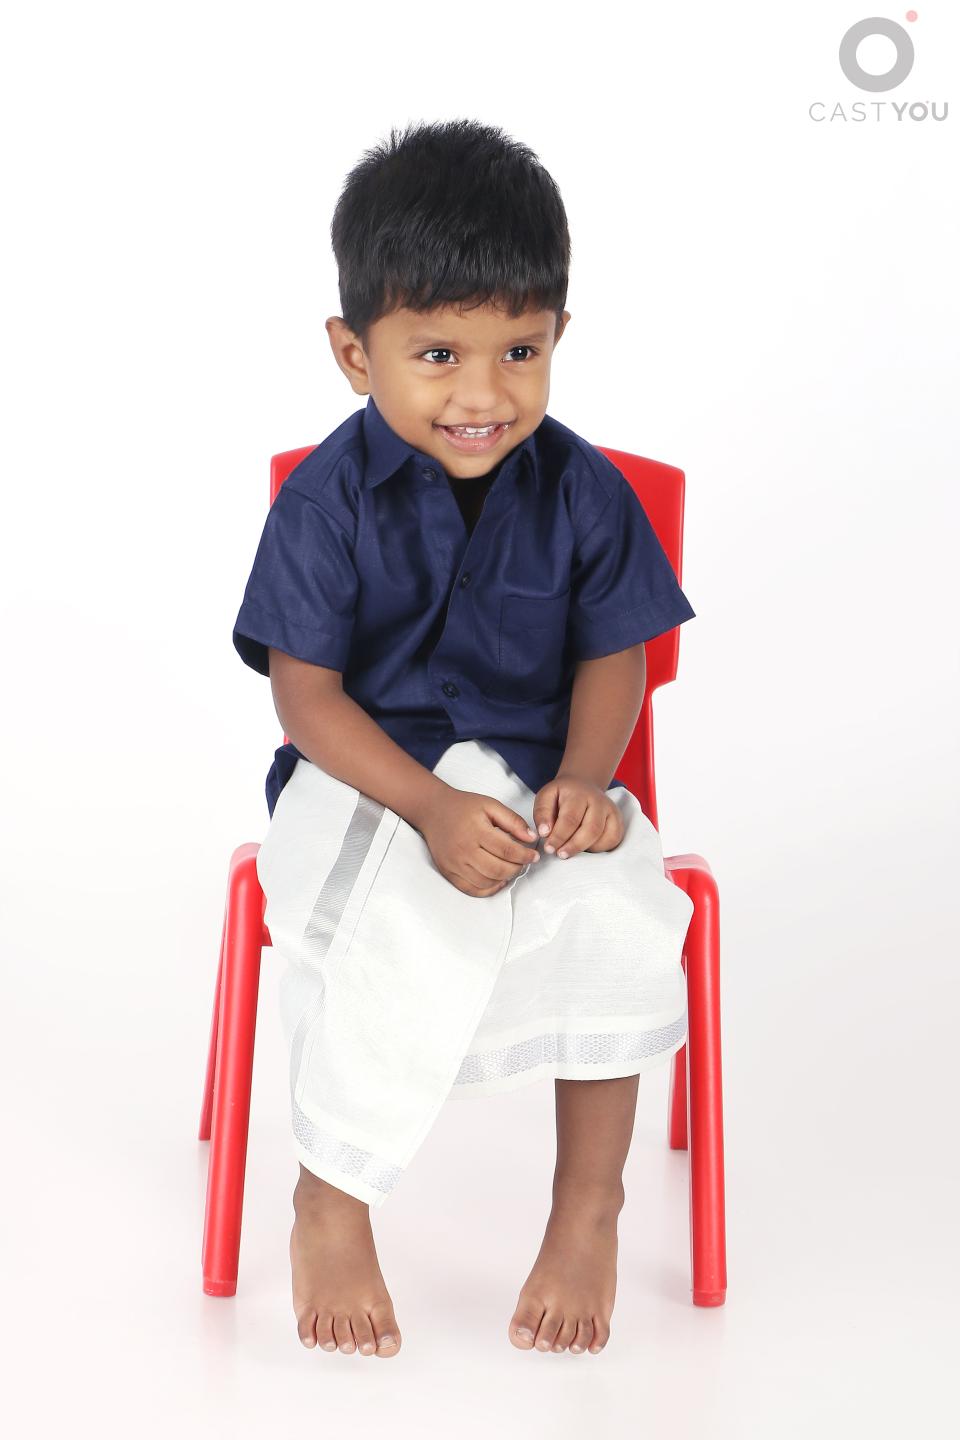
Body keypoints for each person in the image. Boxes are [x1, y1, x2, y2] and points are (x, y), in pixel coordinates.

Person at [232, 118, 697, 1361]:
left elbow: (614, 654)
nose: (485, 394)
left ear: (557, 338)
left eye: (520, 351)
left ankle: (588, 1210)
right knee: (373, 907)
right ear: (355, 353)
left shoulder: (584, 490)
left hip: (538, 778)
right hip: (365, 779)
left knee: (613, 906)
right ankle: (332, 1194)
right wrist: (430, 808)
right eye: (438, 353)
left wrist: (586, 782)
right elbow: (307, 700)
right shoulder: (324, 503)